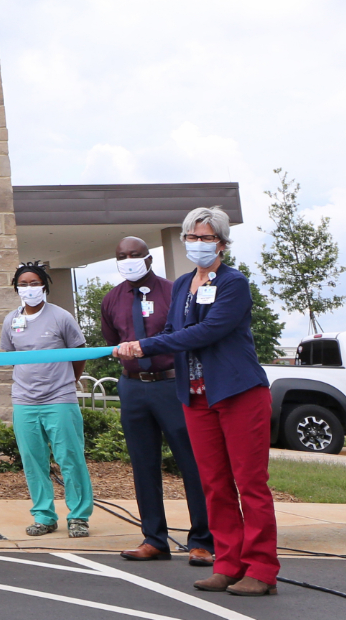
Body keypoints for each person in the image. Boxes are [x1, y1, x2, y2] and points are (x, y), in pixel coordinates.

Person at [115, 207, 278, 597]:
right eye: (192, 236)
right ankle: (227, 563)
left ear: (221, 243)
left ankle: (261, 569)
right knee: (215, 484)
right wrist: (143, 347)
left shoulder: (234, 283)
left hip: (238, 393)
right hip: (196, 396)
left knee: (251, 484)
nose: (197, 244)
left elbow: (209, 330)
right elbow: (174, 329)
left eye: (206, 238)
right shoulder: (184, 283)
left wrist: (145, 345)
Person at [100, 236, 214, 565]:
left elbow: (187, 333)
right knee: (143, 465)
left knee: (191, 463)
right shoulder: (112, 299)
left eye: (135, 254)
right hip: (133, 387)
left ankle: (202, 541)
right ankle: (154, 539)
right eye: (122, 256)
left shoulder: (174, 291)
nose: (129, 260)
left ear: (148, 258)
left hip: (171, 385)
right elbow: (114, 340)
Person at [1, 264, 92, 538]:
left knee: (70, 458)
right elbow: (10, 357)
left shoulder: (61, 317)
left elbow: (79, 354)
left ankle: (78, 516)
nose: (29, 288)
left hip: (59, 399)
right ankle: (44, 516)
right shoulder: (10, 320)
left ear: (45, 285)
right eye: (23, 283)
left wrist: (67, 382)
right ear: (16, 288)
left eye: (34, 282)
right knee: (33, 460)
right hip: (25, 401)